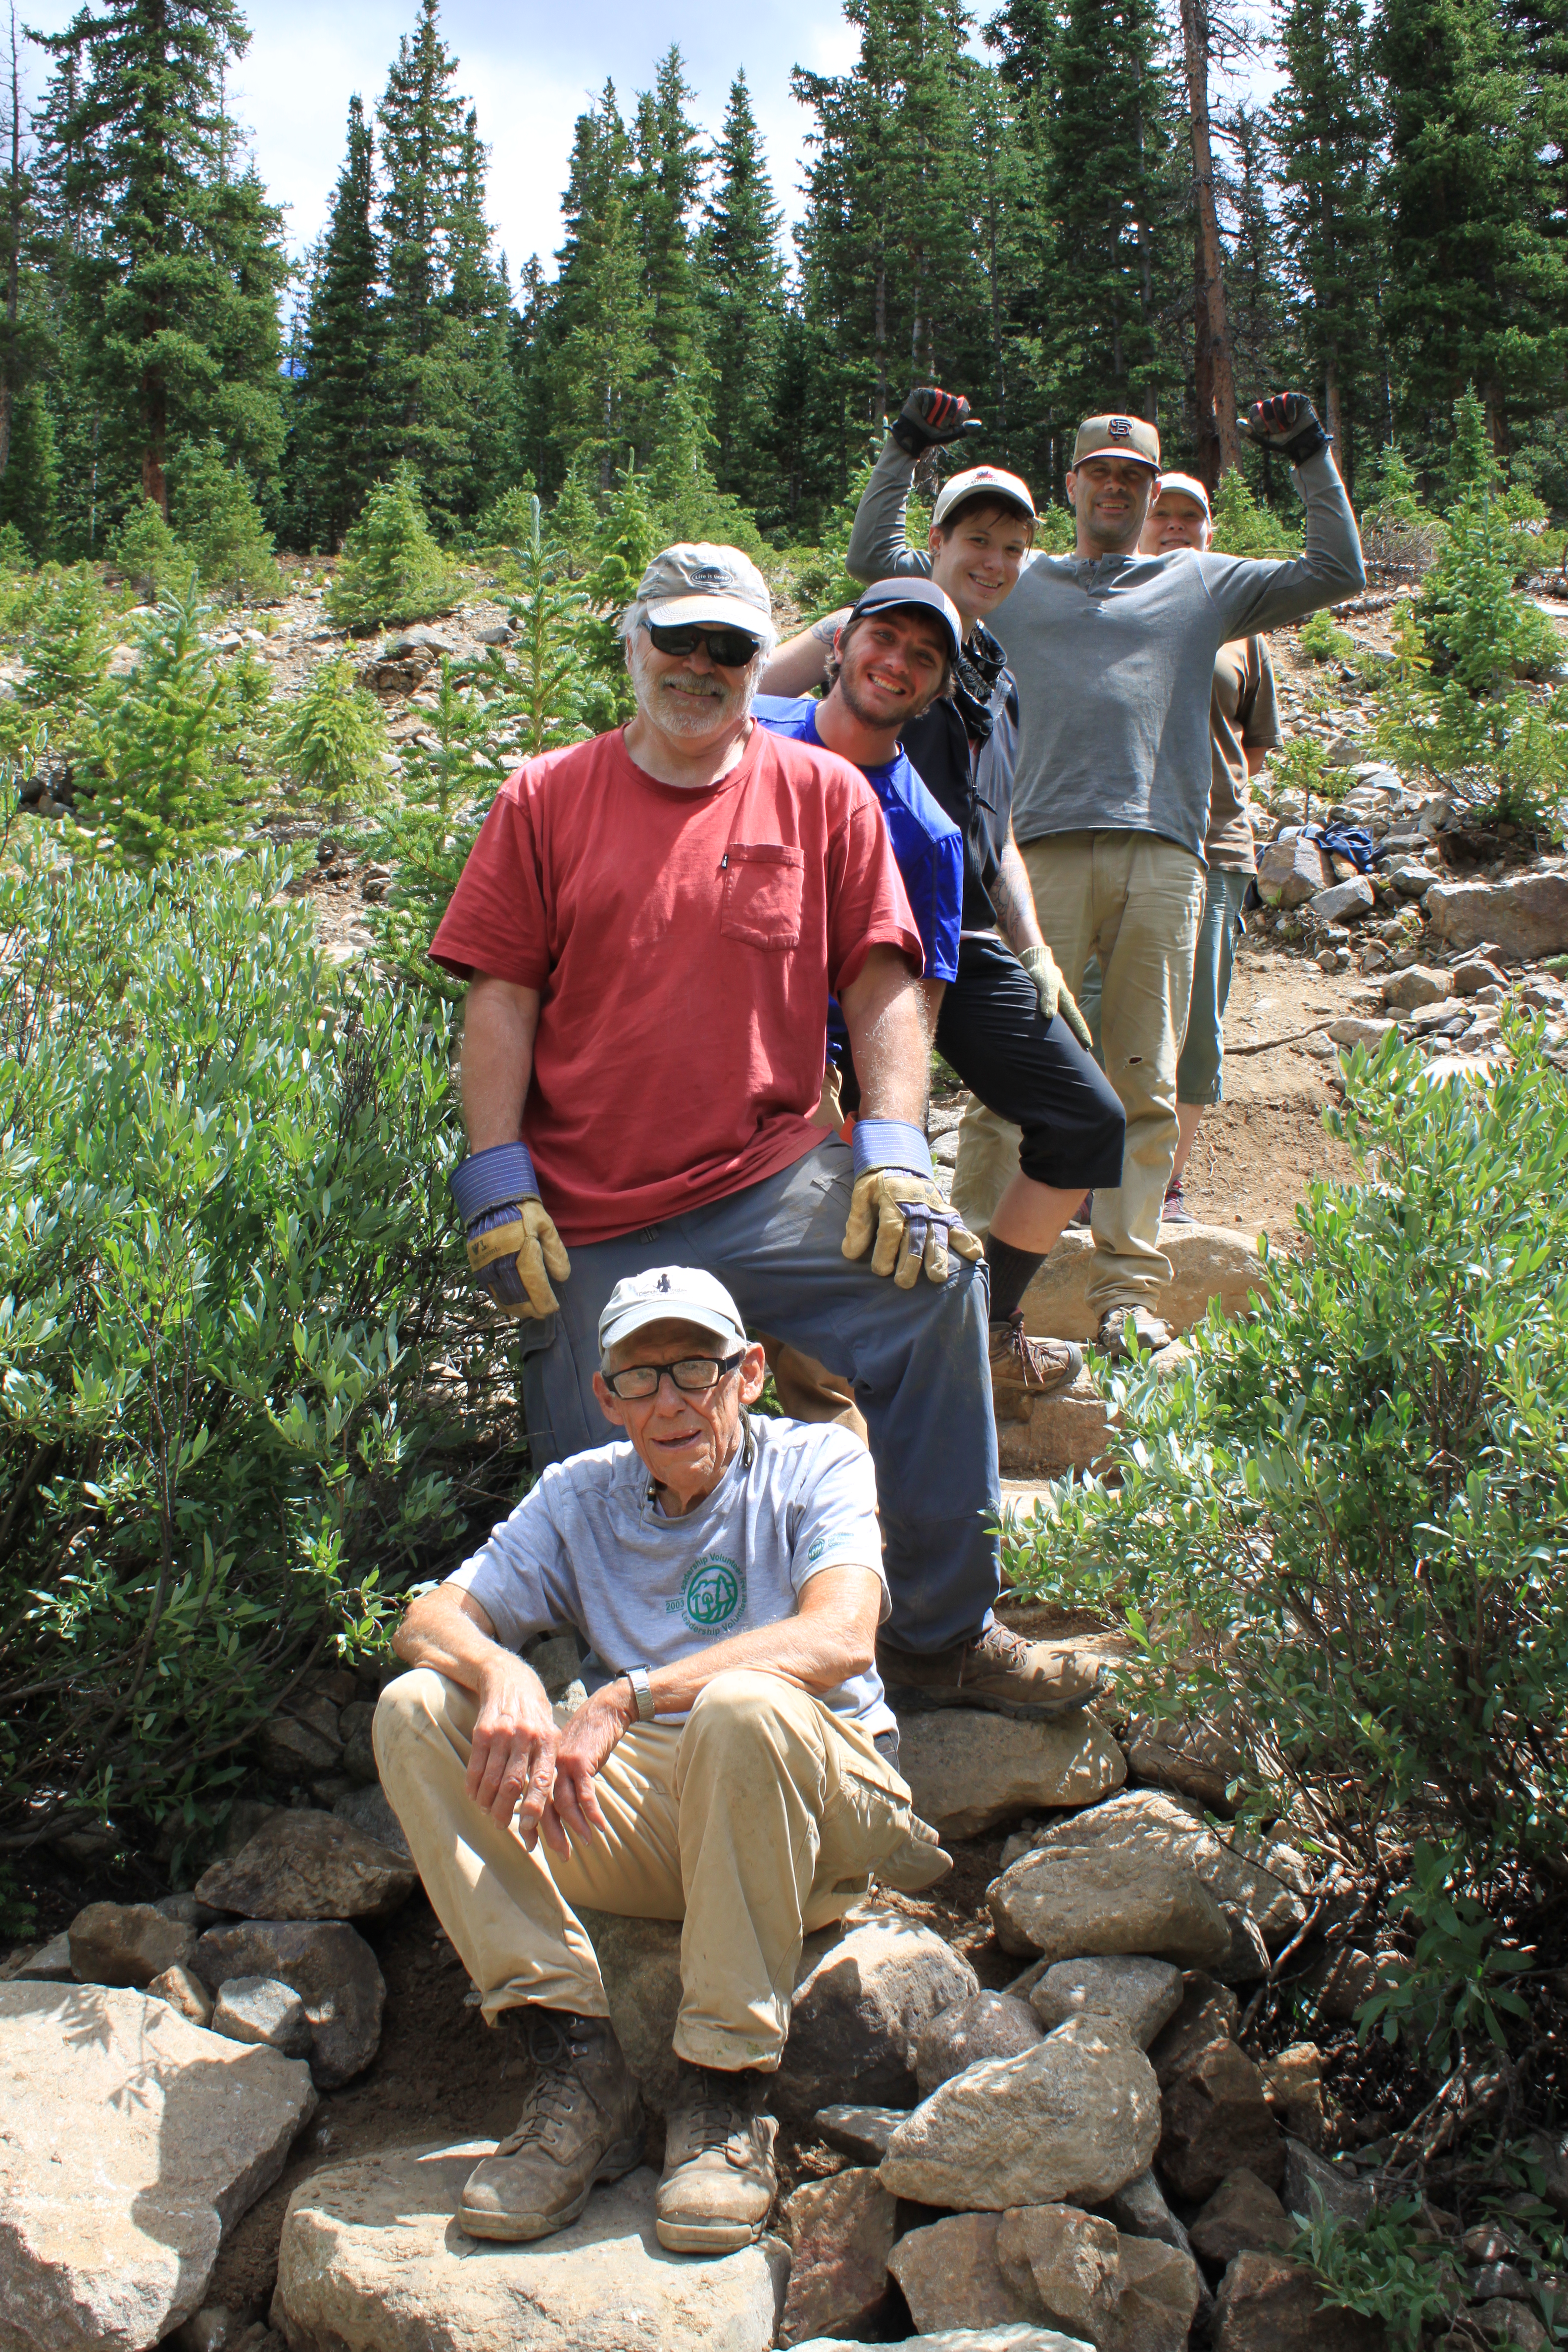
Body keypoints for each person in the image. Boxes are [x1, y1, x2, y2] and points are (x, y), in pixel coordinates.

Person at [432, 539, 1100, 1719]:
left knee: (934, 1285)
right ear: (633, 644)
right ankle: (623, 1687)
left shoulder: (824, 794)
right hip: (593, 1208)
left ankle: (944, 1629)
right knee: (600, 1452)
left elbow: (884, 974)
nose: (700, 665)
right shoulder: (544, 797)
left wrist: (895, 1145)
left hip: (774, 1175)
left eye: (729, 645)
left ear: (766, 658)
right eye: (678, 639)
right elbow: (501, 992)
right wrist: (496, 1174)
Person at [375, 1265, 951, 2253]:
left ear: (751, 1373)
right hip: (663, 1821)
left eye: (696, 1369)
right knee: (418, 1706)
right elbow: (428, 1621)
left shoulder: (820, 1461)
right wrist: (499, 1669)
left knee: (742, 1707)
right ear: (606, 1399)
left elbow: (841, 1637)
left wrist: (627, 1693)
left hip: (821, 1810)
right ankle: (575, 2064)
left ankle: (724, 2097)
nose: (670, 1401)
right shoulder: (578, 1495)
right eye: (640, 1379)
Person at [846, 390, 1365, 1355]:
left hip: (1165, 854)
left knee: (1143, 1075)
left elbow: (1337, 571)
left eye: (1136, 478)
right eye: (1102, 475)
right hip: (1028, 861)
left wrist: (1308, 455)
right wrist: (905, 448)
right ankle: (970, 1273)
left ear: (1151, 488)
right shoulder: (1014, 573)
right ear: (1075, 483)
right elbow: (877, 561)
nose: (1118, 490)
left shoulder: (1198, 582)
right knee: (1017, 1075)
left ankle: (1126, 1288)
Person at [760, 441, 1127, 1404]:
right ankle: (828, 1375)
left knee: (1088, 1122)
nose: (995, 560)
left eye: (1014, 546)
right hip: (855, 941)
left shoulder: (992, 672)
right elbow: (753, 692)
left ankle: (984, 1325)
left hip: (962, 937)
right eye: (976, 539)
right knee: (852, 1150)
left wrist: (1037, 948)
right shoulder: (872, 633)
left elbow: (989, 828)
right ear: (936, 542)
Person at [1044, 473, 1284, 1229]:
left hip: (1209, 845)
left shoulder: (1239, 624)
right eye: (1166, 513)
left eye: (1193, 516)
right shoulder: (1102, 607)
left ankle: (1164, 1187)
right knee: (1085, 1007)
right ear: (1144, 519)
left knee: (1190, 1028)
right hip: (1104, 835)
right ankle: (1082, 1176)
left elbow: (1254, 745)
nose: (1177, 526)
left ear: (1210, 530)